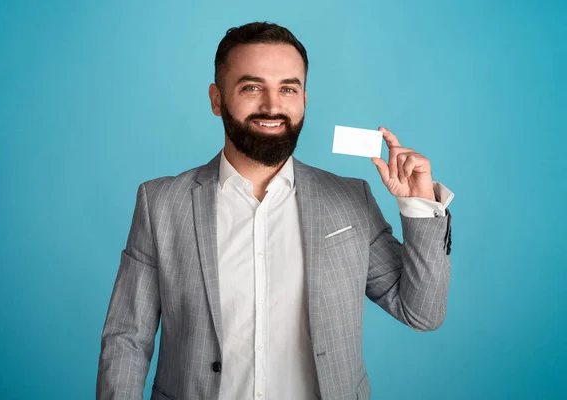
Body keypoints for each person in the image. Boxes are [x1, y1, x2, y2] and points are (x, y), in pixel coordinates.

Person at [96, 21, 454, 400]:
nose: (272, 105)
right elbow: (127, 340)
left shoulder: (351, 200)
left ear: (304, 100)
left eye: (288, 88)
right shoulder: (161, 204)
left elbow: (422, 312)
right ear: (217, 100)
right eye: (251, 87)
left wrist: (419, 206)